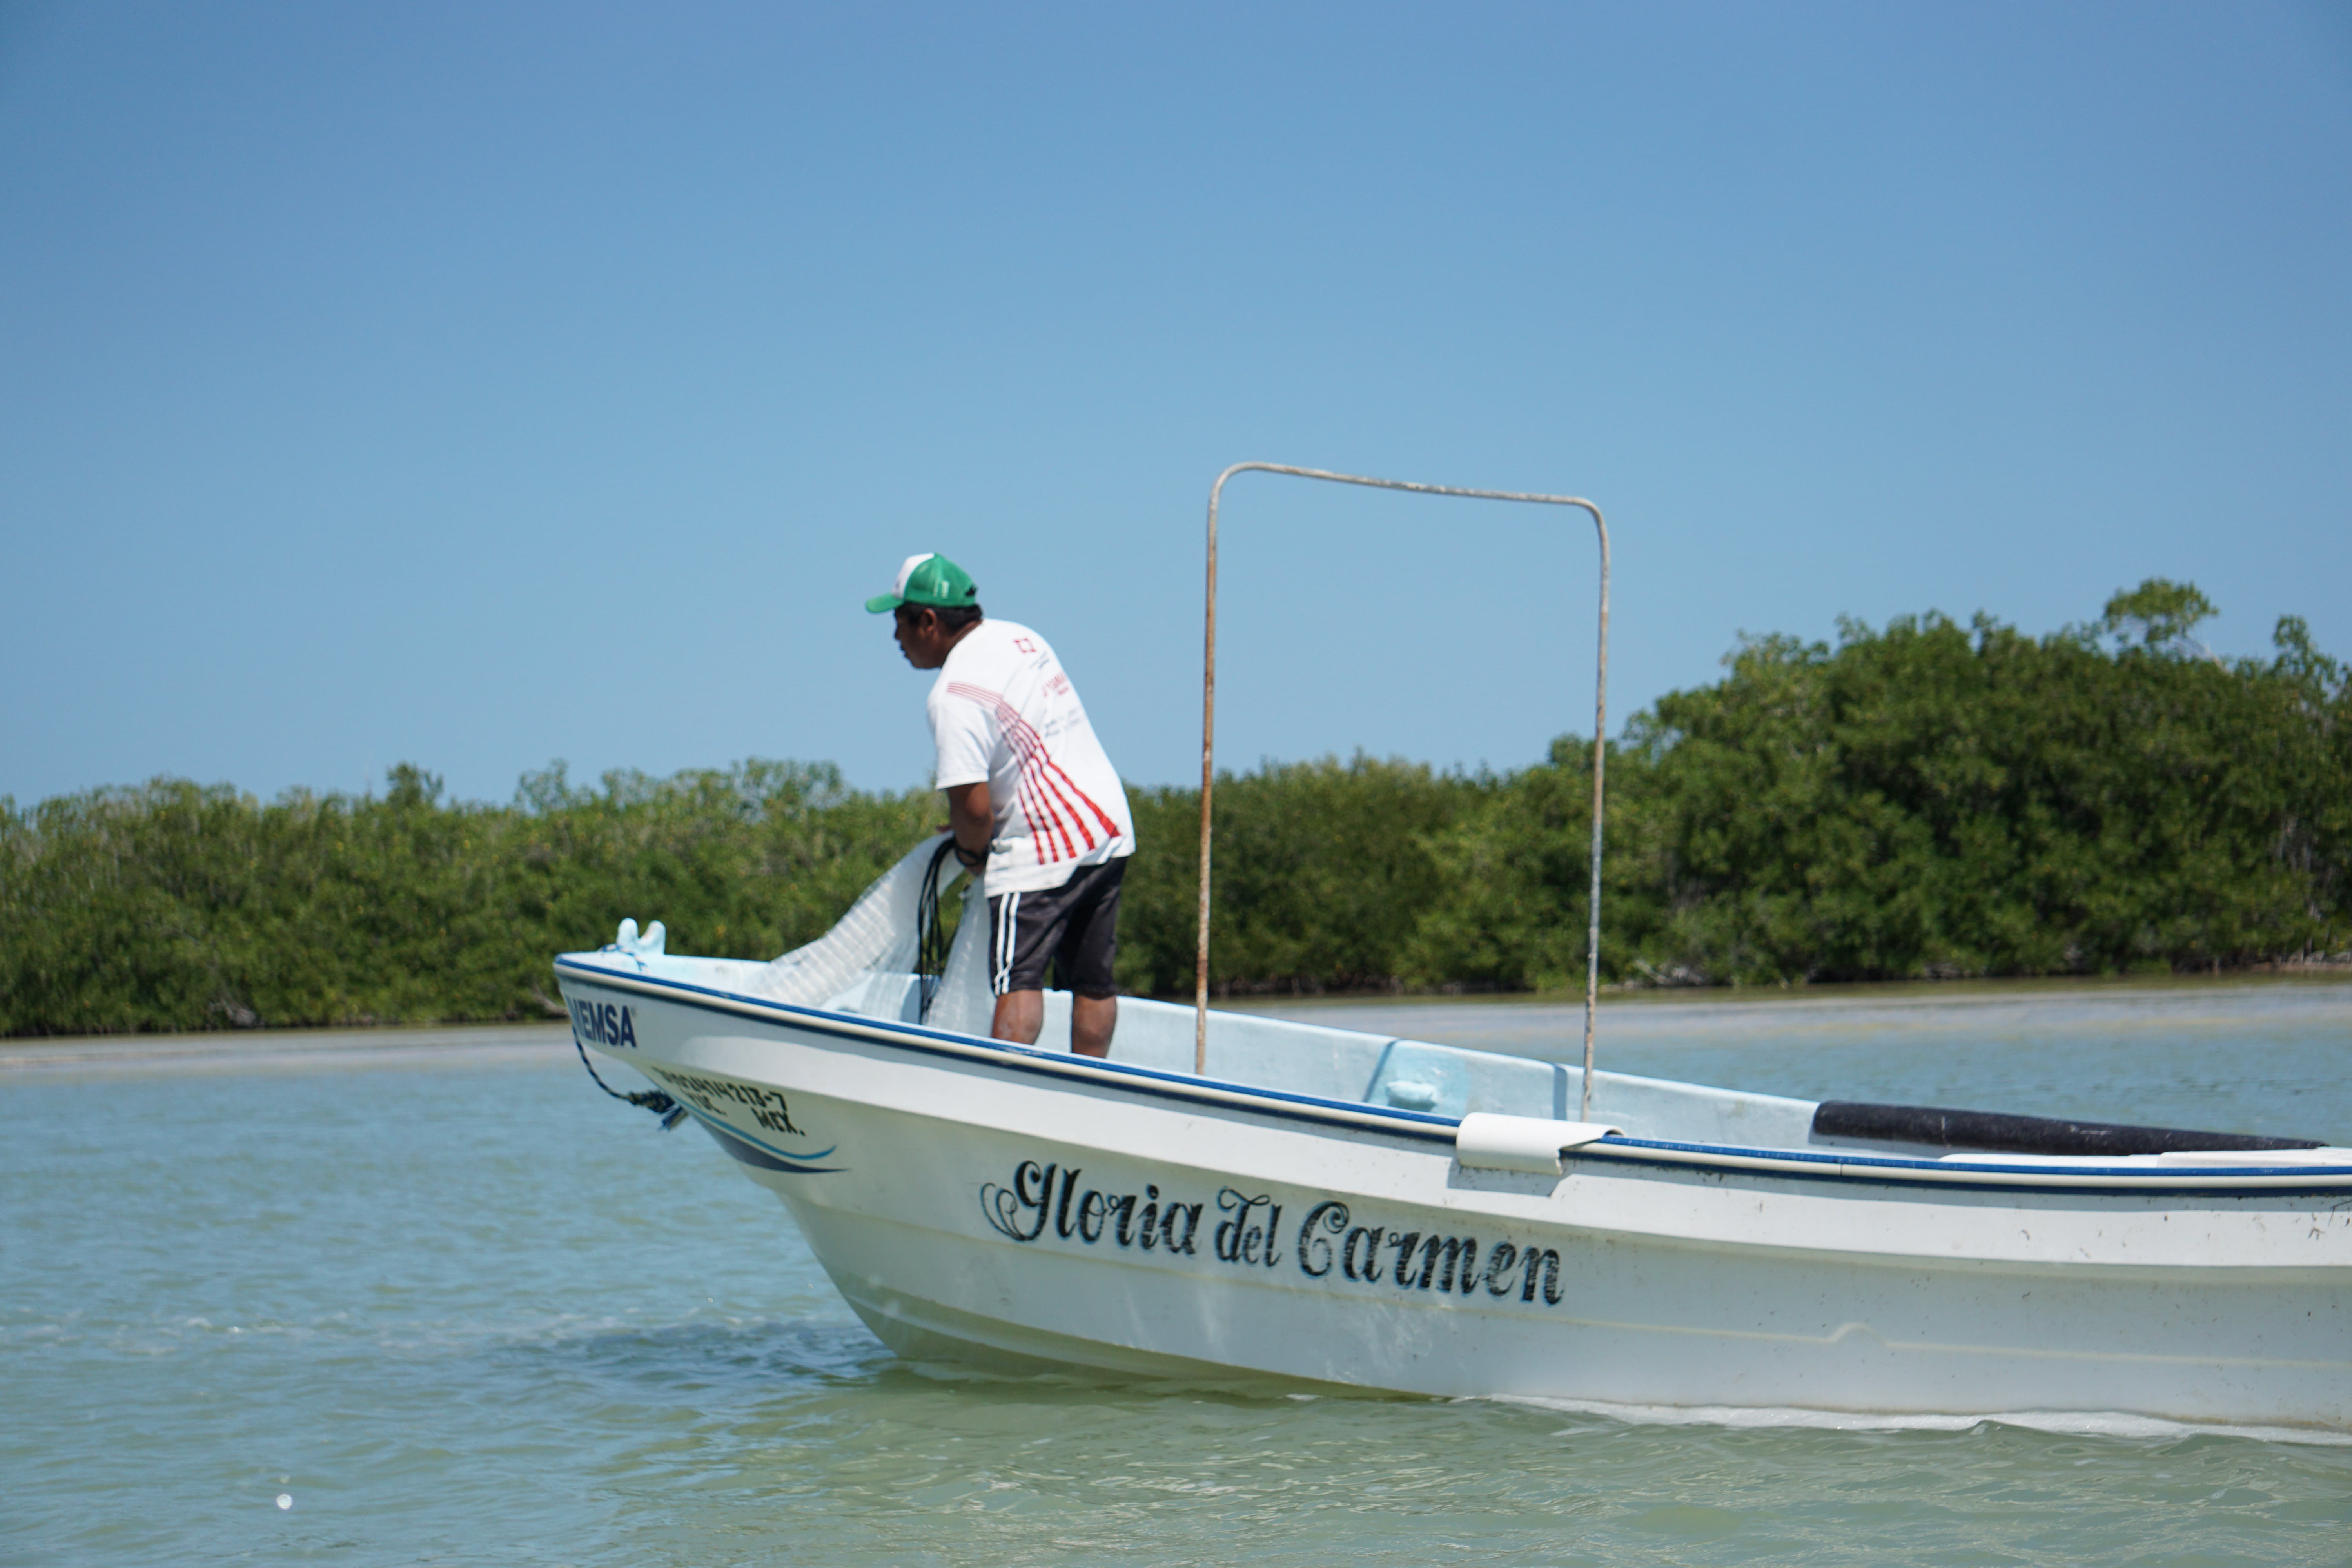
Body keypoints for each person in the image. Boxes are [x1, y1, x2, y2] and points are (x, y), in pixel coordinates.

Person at [868, 552, 1135, 1057]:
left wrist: (973, 856)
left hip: (1044, 844)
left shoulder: (951, 697)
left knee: (1019, 978)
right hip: (1107, 826)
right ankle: (1089, 1086)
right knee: (1093, 980)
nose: (896, 637)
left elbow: (973, 812)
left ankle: (1003, 1090)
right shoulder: (1022, 639)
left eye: (899, 621)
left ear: (928, 622)